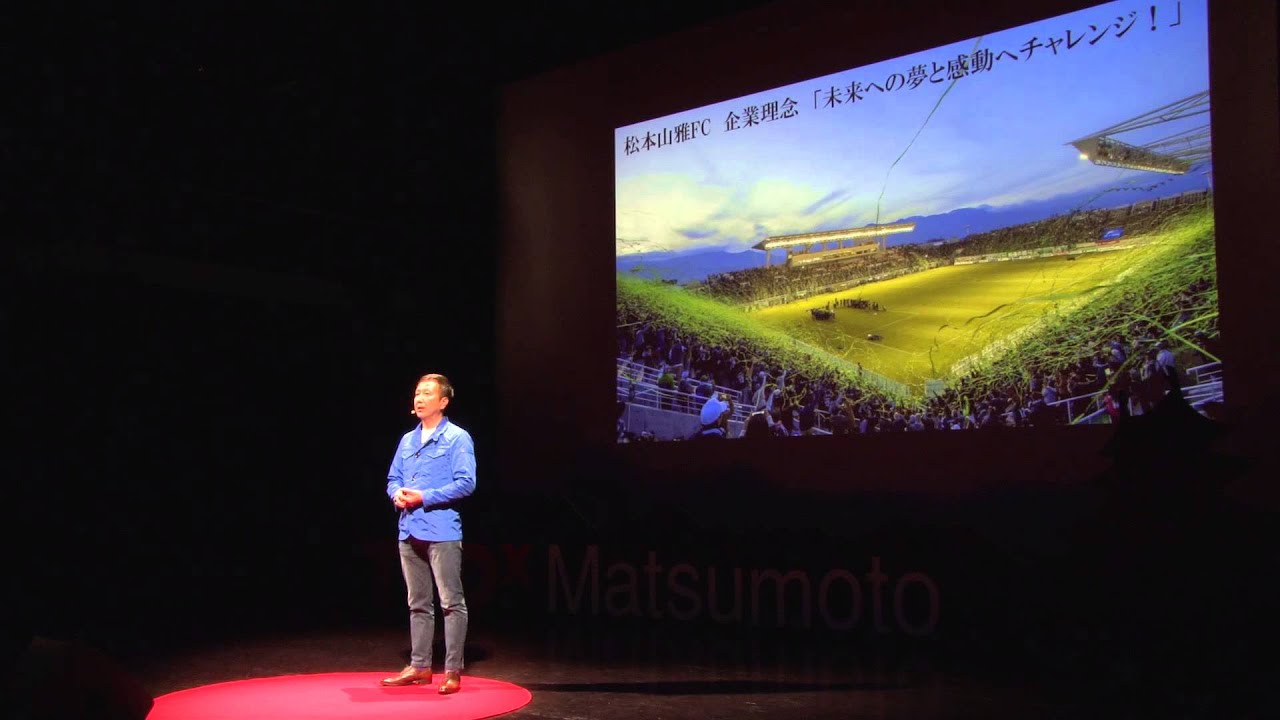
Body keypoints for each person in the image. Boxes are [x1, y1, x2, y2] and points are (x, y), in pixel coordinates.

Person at [380, 373, 476, 694]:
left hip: (442, 530)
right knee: (418, 603)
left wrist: (425, 496)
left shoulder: (457, 438)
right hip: (408, 529)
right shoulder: (407, 440)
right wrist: (396, 494)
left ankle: (452, 670)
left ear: (443, 402)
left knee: (451, 602)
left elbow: (466, 483)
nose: (419, 398)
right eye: (417, 393)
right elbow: (393, 478)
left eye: (427, 394)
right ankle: (420, 666)